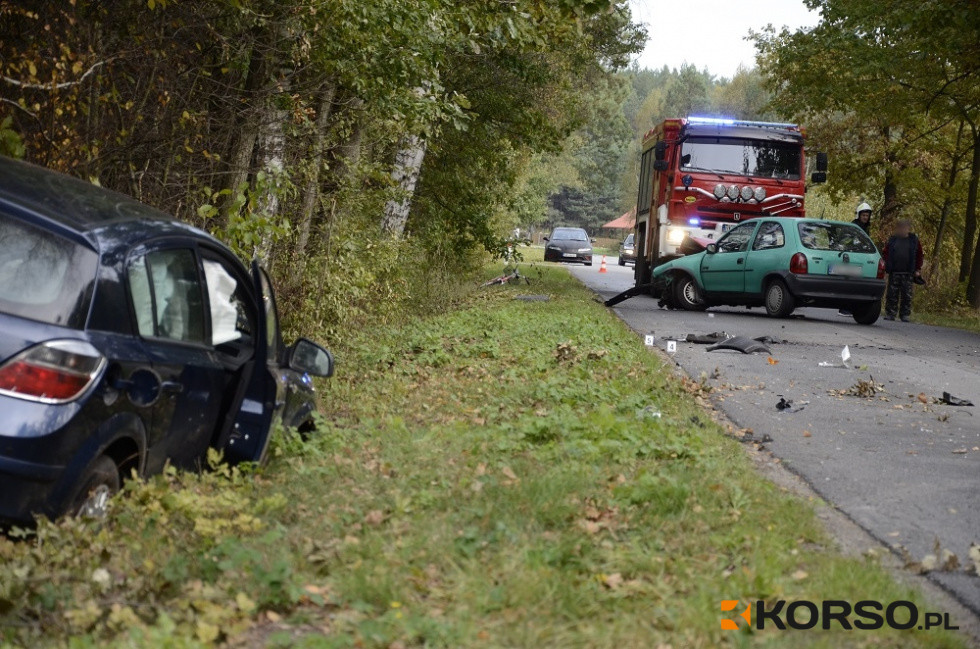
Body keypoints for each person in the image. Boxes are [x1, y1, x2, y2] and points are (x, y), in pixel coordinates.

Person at [881, 219, 924, 322]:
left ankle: (904, 315)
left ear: (908, 229)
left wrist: (917, 269)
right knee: (892, 294)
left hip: (908, 272)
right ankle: (891, 313)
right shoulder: (893, 240)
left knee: (906, 295)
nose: (902, 229)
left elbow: (919, 255)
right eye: (900, 227)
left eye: (904, 227)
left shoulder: (913, 241)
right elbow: (886, 252)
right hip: (894, 272)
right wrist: (886, 265)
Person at [840, 202, 875, 315]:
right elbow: (844, 241)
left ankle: (853, 309)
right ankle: (844, 309)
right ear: (859, 215)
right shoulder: (853, 227)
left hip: (860, 258)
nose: (865, 217)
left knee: (857, 284)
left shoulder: (865, 228)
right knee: (849, 284)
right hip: (850, 258)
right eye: (863, 215)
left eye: (867, 215)